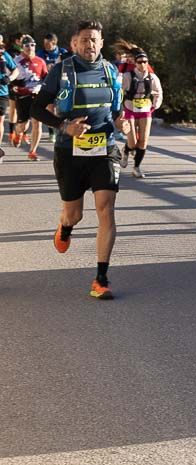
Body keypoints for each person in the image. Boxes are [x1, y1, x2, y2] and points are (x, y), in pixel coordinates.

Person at [30, 20, 128, 299]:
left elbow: (117, 110)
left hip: (104, 148)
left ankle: (101, 278)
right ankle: (66, 227)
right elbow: (37, 108)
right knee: (74, 213)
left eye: (94, 39)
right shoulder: (61, 70)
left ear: (101, 41)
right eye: (84, 40)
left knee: (106, 209)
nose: (89, 45)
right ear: (74, 43)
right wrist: (64, 127)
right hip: (69, 151)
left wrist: (123, 124)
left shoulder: (110, 71)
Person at [120, 49, 163, 178]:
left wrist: (155, 104)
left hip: (145, 110)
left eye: (145, 61)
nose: (143, 64)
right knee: (132, 142)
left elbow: (159, 92)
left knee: (143, 141)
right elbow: (119, 92)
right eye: (140, 62)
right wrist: (120, 108)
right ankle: (126, 150)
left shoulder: (152, 77)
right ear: (135, 63)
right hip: (130, 108)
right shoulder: (128, 76)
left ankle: (137, 167)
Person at [10, 35, 50, 160]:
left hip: (37, 96)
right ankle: (18, 132)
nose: (30, 48)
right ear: (22, 48)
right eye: (27, 45)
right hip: (23, 95)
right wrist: (14, 84)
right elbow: (9, 77)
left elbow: (45, 77)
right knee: (24, 125)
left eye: (32, 45)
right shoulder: (16, 61)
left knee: (37, 123)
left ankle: (32, 152)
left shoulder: (40, 61)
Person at [0, 40, 14, 163]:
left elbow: (16, 70)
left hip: (1, 92)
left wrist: (9, 78)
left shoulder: (4, 55)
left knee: (0, 121)